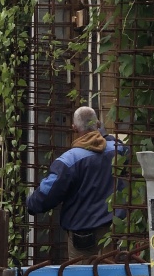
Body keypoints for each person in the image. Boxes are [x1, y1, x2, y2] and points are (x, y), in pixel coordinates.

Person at [26, 106, 126, 262]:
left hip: (84, 235)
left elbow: (47, 192)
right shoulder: (118, 149)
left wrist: (31, 204)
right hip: (115, 229)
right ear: (98, 124)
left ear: (74, 128)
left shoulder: (69, 160)